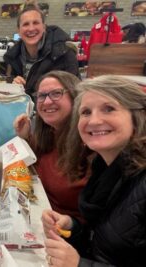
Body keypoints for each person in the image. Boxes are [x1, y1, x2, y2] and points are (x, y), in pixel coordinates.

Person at [42, 75, 146, 266]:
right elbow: (104, 241)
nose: (94, 120)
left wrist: (79, 264)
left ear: (137, 117)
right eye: (86, 112)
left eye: (109, 109)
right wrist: (72, 227)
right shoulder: (105, 168)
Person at [14, 71, 88, 221]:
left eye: (56, 93)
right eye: (42, 95)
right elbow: (29, 169)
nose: (47, 102)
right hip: (38, 216)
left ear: (76, 97)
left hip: (68, 232)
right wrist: (24, 138)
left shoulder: (89, 142)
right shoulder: (48, 135)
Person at [0, 4, 79, 97]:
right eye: (25, 24)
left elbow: (74, 93)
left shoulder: (63, 53)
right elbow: (3, 91)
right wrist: (13, 87)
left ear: (44, 27)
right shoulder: (11, 58)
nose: (31, 28)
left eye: (36, 23)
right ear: (19, 30)